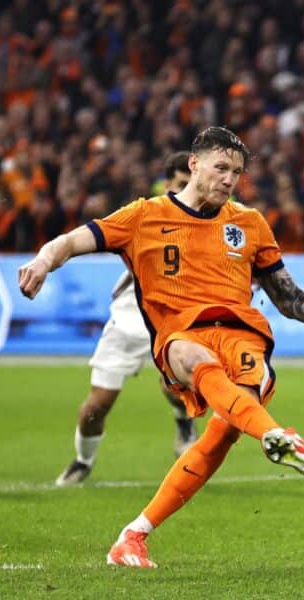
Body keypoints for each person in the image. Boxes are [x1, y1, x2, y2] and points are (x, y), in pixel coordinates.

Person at [18, 126, 304, 568]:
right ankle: (276, 434)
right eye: (222, 168)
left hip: (242, 338)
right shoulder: (144, 216)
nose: (229, 179)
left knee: (223, 434)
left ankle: (133, 536)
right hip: (181, 335)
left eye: (237, 172)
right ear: (194, 165)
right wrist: (44, 260)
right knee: (190, 357)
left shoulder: (249, 223)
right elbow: (72, 241)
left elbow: (292, 301)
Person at [55, 152, 199, 487]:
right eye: (179, 185)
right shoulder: (146, 214)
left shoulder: (208, 219)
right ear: (166, 185)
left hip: (174, 321)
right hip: (129, 322)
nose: (184, 191)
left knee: (178, 385)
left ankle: (183, 421)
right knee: (96, 407)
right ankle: (83, 461)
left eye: (189, 184)